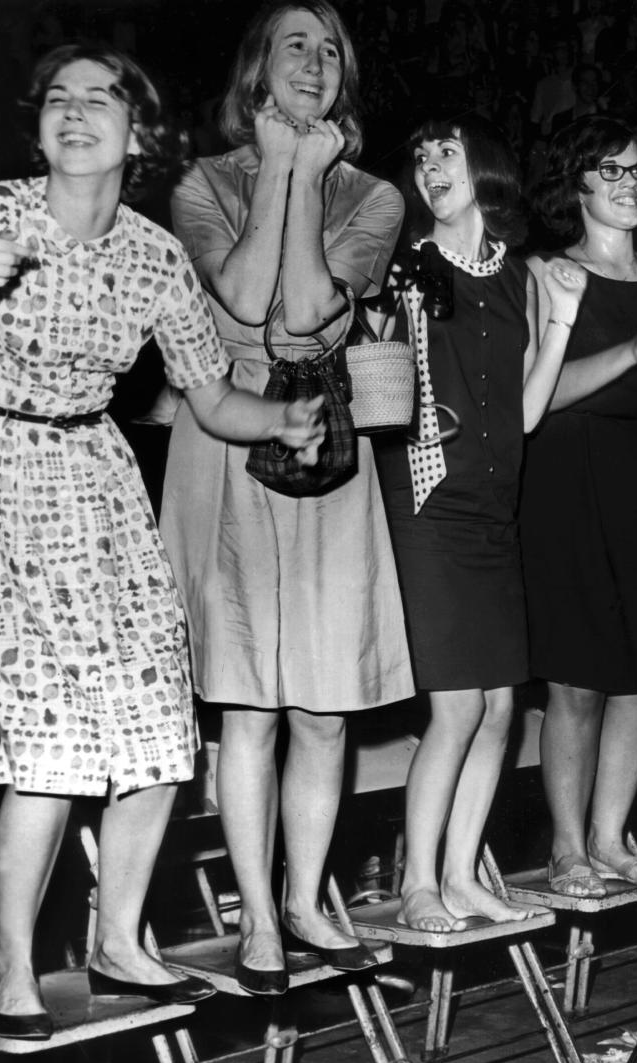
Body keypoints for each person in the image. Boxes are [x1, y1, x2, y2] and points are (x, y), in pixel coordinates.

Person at [0, 42, 324, 1039]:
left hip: (96, 476)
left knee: (157, 728)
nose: (77, 113)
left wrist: (284, 422)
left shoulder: (152, 254)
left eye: (102, 99)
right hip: (0, 470)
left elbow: (213, 394)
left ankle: (119, 939)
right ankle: (11, 960)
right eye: (59, 98)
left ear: (141, 133)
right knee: (50, 742)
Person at [159, 1, 414, 995]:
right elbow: (238, 298)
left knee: (322, 709)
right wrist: (279, 174)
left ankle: (306, 899)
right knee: (250, 708)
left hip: (326, 451)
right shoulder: (199, 184)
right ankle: (259, 922)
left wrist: (306, 173)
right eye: (293, 44)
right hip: (225, 449)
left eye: (331, 48)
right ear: (257, 68)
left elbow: (306, 314)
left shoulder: (376, 198)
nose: (314, 60)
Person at [374, 114, 587, 932]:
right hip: (432, 503)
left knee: (502, 707)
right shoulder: (411, 267)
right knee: (459, 707)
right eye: (420, 153)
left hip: (499, 505)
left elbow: (529, 413)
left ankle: (462, 875)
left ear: (483, 166)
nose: (431, 165)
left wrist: (564, 317)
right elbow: (388, 379)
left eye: (448, 151)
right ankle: (418, 884)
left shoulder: (518, 275)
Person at [520, 116, 637, 898]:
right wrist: (629, 353)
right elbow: (545, 395)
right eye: (612, 171)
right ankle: (569, 848)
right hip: (564, 478)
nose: (631, 185)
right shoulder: (545, 275)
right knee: (578, 679)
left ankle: (612, 835)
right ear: (577, 185)